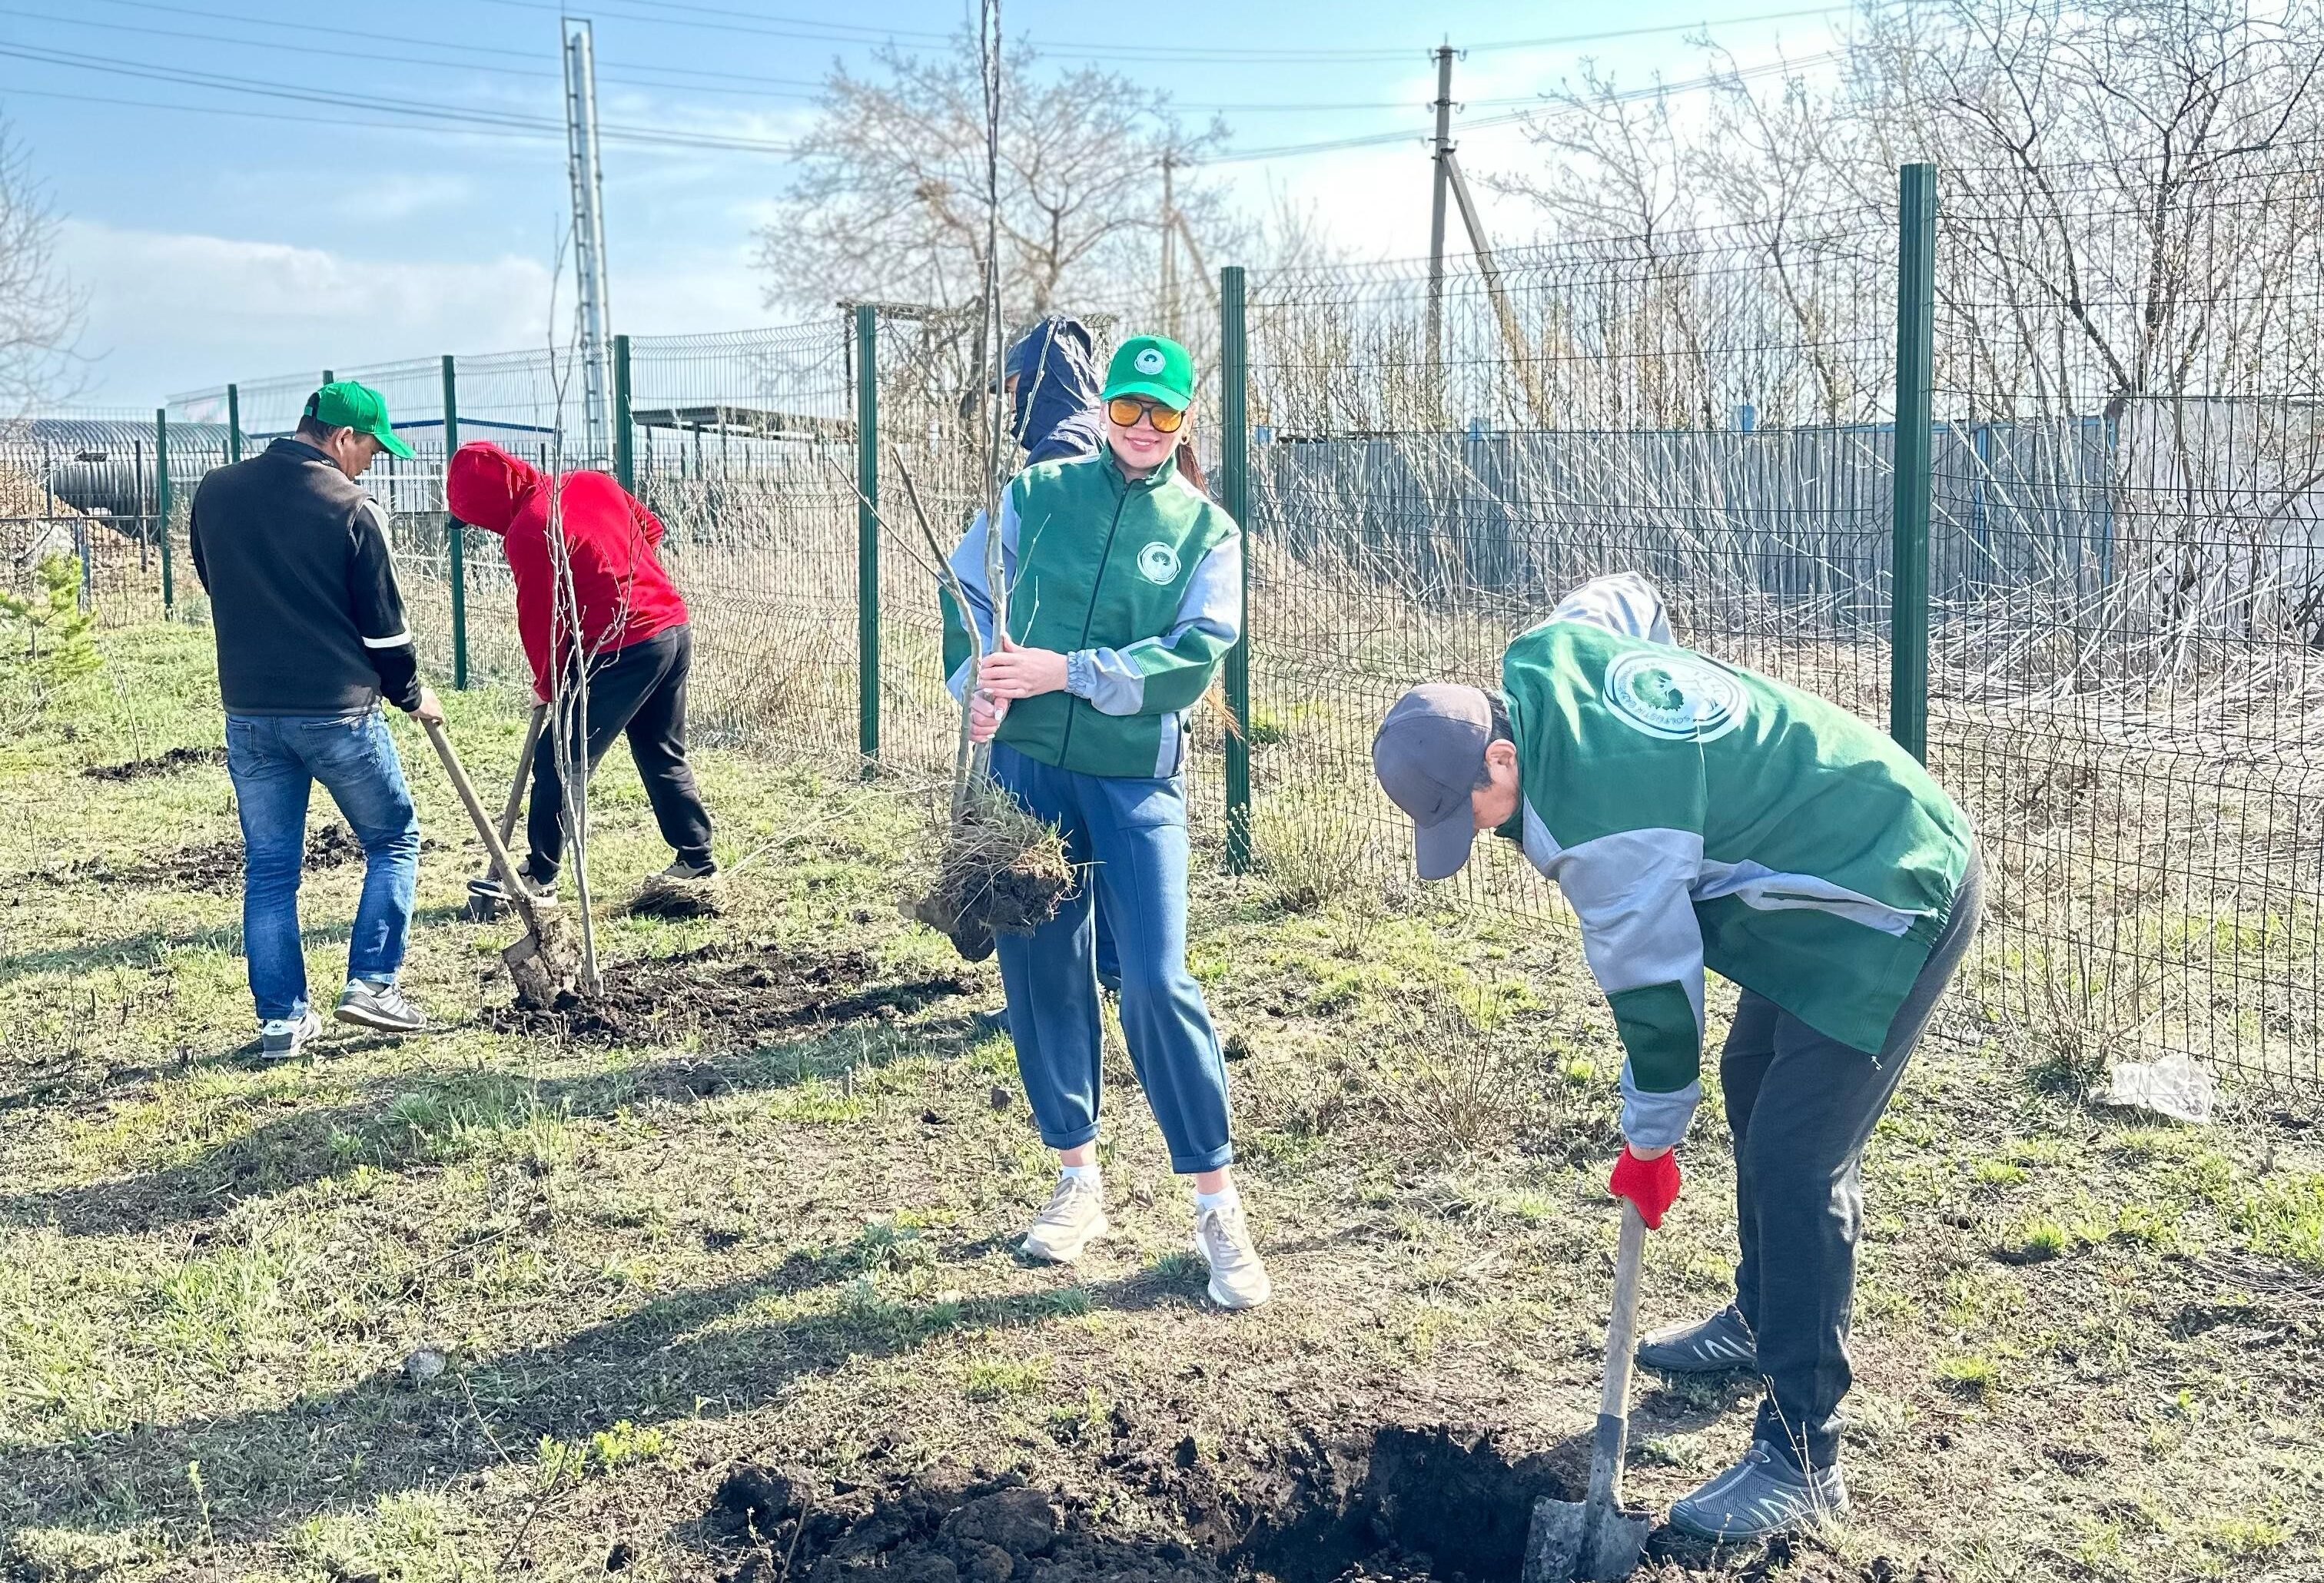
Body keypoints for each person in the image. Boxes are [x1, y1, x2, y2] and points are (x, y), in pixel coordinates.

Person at [1370, 572, 1981, 1541]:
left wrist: (1650, 1145)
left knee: (1795, 1152)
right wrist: (1673, 710)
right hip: (1842, 835)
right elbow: (1628, 596)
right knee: (1753, 1081)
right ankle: (1761, 1313)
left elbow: (1659, 1013)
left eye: (1468, 811)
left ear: (1499, 752)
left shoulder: (1605, 839)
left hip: (1889, 889)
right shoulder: (1548, 654)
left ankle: (1801, 1453)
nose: (1476, 834)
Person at [941, 333, 1267, 1309]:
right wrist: (979, 683)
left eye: (1163, 415)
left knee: (1159, 979)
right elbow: (967, 589)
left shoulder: (1207, 531)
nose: (1141, 430)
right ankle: (1077, 1175)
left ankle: (1216, 1202)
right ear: (1105, 408)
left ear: (1185, 424)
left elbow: (1196, 654)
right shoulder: (1035, 496)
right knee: (1040, 968)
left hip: (1134, 781)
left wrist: (1069, 672)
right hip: (1028, 771)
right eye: (1128, 409)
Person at [189, 381, 441, 1057]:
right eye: (369, 447)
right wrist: (413, 694)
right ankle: (372, 985)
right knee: (394, 839)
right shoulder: (353, 508)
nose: (370, 462)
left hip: (249, 713)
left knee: (270, 868)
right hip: (338, 715)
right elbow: (386, 633)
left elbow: (216, 580)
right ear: (339, 438)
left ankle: (282, 1022)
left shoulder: (215, 491)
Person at [444, 443, 715, 903]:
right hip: (670, 627)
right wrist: (613, 579)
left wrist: (547, 685)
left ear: (486, 504)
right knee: (659, 749)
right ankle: (696, 858)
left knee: (559, 758)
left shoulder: (529, 530)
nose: (479, 529)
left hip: (621, 647)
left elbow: (541, 618)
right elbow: (650, 529)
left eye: (473, 517)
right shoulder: (590, 481)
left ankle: (540, 875)